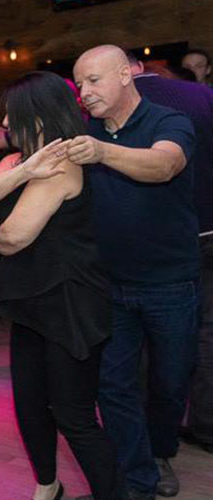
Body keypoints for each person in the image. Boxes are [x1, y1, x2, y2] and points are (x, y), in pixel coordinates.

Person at [0, 71, 124, 500]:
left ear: (35, 115)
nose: (3, 121)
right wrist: (24, 171)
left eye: (10, 113)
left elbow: (12, 236)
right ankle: (48, 487)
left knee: (74, 415)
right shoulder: (27, 158)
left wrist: (26, 179)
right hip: (32, 301)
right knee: (30, 406)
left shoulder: (61, 163)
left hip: (69, 302)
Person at [70, 45, 198, 500]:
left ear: (125, 75)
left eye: (93, 80)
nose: (84, 92)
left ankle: (161, 449)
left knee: (169, 380)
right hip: (110, 283)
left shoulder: (168, 121)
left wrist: (103, 152)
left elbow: (165, 164)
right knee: (113, 385)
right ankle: (137, 478)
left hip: (171, 280)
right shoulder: (86, 132)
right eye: (79, 83)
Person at [127, 54, 213, 461]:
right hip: (209, 231)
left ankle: (156, 442)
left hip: (158, 241)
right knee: (207, 332)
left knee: (153, 341)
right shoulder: (202, 96)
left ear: (125, 71)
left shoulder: (124, 109)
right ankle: (207, 425)